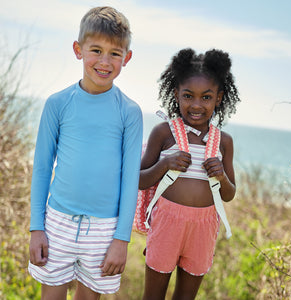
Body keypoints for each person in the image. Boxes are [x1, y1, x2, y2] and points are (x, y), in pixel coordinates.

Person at [28, 6, 143, 300]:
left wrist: (121, 239)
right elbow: (42, 167)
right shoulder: (58, 104)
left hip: (105, 231)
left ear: (126, 58)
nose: (105, 62)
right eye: (96, 50)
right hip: (57, 224)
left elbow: (131, 180)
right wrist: (36, 228)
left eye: (115, 53)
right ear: (78, 50)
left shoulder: (129, 112)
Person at [140, 48, 241, 300]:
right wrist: (165, 165)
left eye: (206, 97)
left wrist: (221, 177)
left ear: (218, 98)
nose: (196, 105)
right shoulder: (164, 133)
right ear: (176, 95)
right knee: (153, 295)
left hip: (205, 226)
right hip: (167, 220)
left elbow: (229, 195)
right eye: (188, 96)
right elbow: (139, 181)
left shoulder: (223, 142)